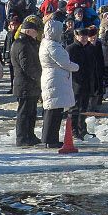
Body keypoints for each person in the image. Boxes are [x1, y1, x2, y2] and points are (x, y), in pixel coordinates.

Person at [39, 19, 80, 147]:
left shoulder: (48, 43)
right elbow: (64, 63)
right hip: (55, 79)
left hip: (54, 78)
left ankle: (50, 138)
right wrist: (76, 67)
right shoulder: (52, 46)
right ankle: (50, 140)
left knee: (54, 110)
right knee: (53, 111)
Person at [10, 16, 42, 146]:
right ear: (28, 31)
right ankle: (22, 138)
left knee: (31, 112)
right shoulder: (22, 44)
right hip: (25, 84)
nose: (37, 34)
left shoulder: (27, 43)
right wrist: (39, 77)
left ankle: (30, 135)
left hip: (29, 85)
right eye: (35, 31)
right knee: (24, 113)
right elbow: (27, 65)